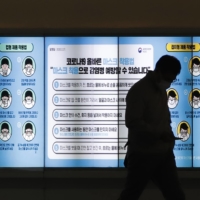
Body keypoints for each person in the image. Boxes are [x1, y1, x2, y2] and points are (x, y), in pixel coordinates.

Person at [118, 55, 185, 200]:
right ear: (159, 71)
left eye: (172, 80)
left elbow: (163, 119)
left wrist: (167, 137)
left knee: (176, 195)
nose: (169, 82)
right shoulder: (139, 91)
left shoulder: (161, 90)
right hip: (143, 154)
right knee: (131, 195)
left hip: (164, 153)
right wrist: (159, 133)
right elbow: (133, 121)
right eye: (168, 78)